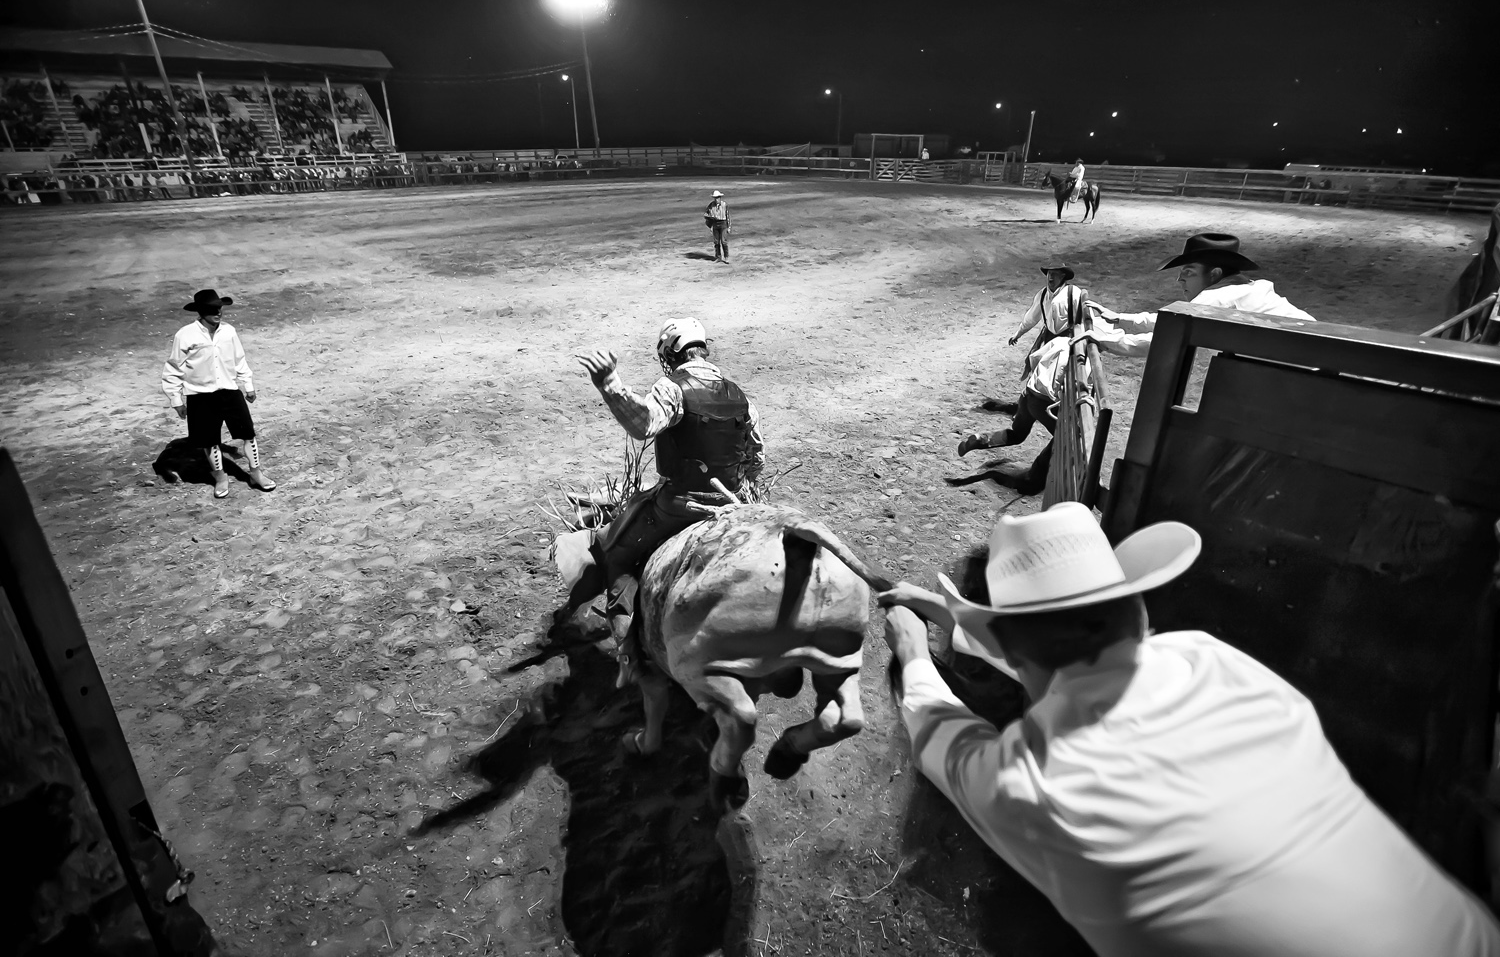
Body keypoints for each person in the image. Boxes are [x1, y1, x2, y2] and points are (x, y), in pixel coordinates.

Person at [878, 502, 1500, 957]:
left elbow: (938, 732)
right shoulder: (1213, 662)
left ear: (1011, 644)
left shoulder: (1032, 784)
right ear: (1139, 608)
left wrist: (912, 648)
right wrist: (961, 622)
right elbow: (1081, 665)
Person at [560, 318, 764, 686]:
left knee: (618, 556)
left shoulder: (673, 388)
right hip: (733, 503)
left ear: (670, 354)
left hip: (679, 506)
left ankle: (628, 655)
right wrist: (744, 488)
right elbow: (756, 457)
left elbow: (644, 424)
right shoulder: (739, 395)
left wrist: (610, 384)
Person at [1081, 233, 1314, 358]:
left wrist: (1104, 339)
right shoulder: (1250, 288)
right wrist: (1121, 318)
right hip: (1313, 358)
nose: (1180, 280)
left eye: (1189, 272)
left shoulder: (1216, 299)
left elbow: (1164, 342)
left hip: (1303, 368)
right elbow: (1176, 322)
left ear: (1214, 274)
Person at [161, 289, 276, 499]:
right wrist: (176, 399)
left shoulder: (229, 331)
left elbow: (239, 360)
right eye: (212, 309)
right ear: (200, 311)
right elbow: (174, 368)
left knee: (248, 434)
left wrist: (248, 385)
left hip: (230, 391)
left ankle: (255, 473)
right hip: (200, 395)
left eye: (219, 308)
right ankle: (220, 477)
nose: (218, 312)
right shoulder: (185, 335)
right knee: (209, 440)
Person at [956, 333, 1088, 495]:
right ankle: (1036, 475)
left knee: (1017, 433)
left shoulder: (1060, 341)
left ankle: (982, 439)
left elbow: (1035, 358)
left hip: (1028, 394)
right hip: (1045, 403)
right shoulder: (1084, 362)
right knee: (1065, 436)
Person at [703, 190, 731, 263]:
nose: (716, 199)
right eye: (715, 198)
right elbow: (705, 214)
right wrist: (710, 222)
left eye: (718, 197)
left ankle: (726, 257)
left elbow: (728, 216)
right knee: (716, 242)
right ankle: (718, 257)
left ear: (720, 197)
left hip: (723, 223)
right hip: (715, 223)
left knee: (724, 241)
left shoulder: (724, 205)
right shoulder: (711, 205)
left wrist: (729, 227)